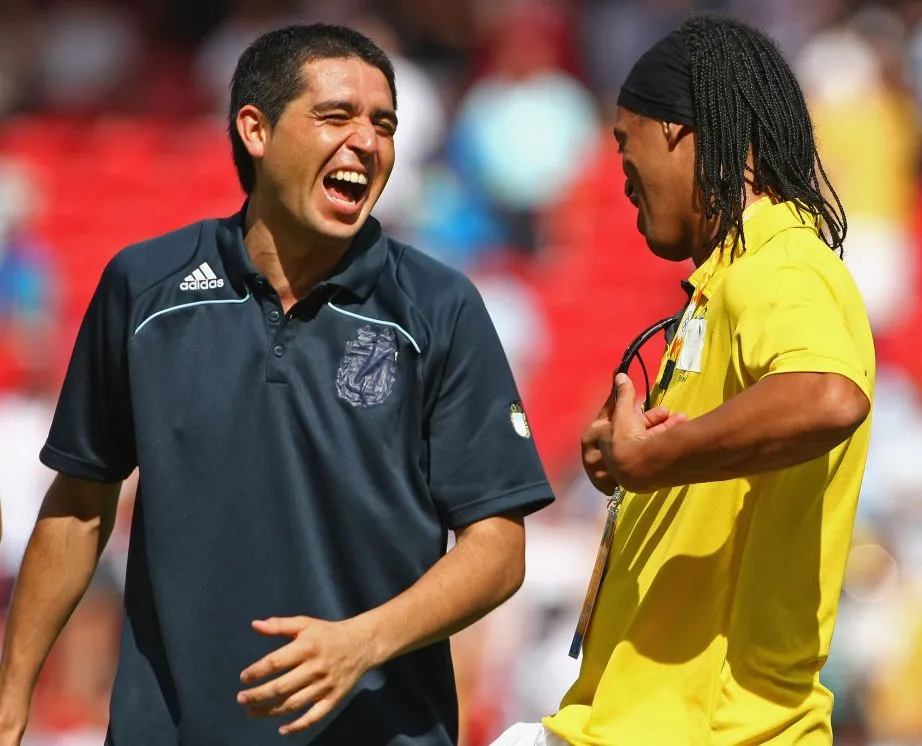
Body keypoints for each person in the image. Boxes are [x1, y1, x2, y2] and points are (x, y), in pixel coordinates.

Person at [0, 23, 554, 746]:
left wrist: (363, 641)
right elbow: (78, 507)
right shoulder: (144, 290)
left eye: (383, 124)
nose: (367, 142)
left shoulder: (440, 308)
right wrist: (11, 699)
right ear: (255, 130)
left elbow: (497, 548)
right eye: (336, 117)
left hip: (377, 733)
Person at [491, 14, 874, 746]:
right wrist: (636, 457)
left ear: (677, 131)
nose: (620, 172)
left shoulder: (782, 260)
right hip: (629, 725)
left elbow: (828, 395)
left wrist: (653, 457)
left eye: (623, 141)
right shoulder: (723, 284)